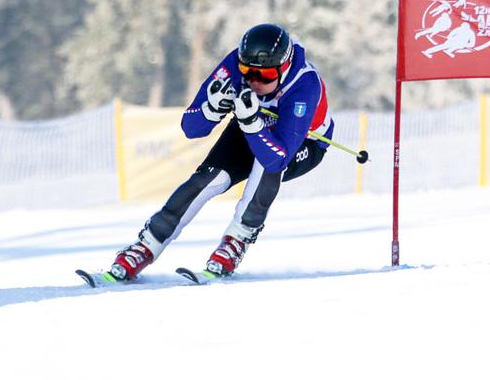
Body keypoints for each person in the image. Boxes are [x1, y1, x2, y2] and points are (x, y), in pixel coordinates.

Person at [108, 23, 334, 280]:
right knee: (209, 178)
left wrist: (251, 123)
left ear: (283, 68)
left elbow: (277, 158)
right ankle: (147, 244)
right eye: (247, 72)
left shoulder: (305, 83)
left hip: (303, 142)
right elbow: (190, 127)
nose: (254, 81)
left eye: (266, 75)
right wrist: (210, 110)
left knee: (265, 165)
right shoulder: (235, 64)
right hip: (252, 124)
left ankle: (236, 240)